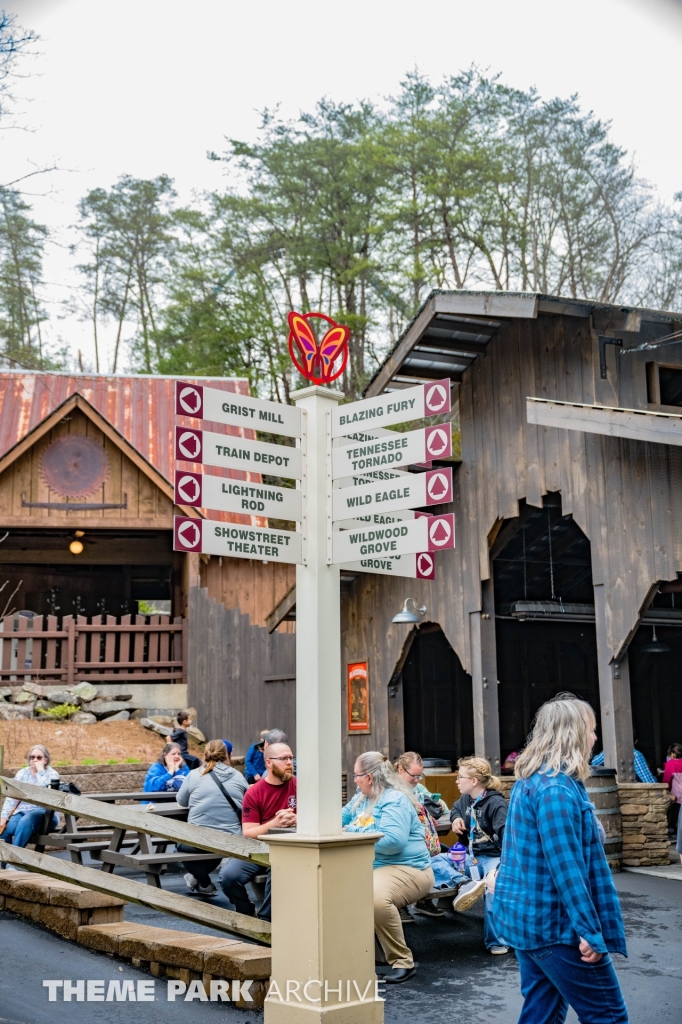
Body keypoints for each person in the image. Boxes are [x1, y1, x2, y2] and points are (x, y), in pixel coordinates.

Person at [492, 693, 629, 1023]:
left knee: (542, 1014)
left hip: (531, 925)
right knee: (609, 1016)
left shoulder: (539, 782)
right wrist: (590, 932)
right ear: (573, 733)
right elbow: (567, 870)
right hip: (555, 928)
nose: (596, 737)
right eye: (592, 729)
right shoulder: (555, 790)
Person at [342, 751, 434, 985]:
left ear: (370, 777)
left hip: (409, 868)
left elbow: (393, 842)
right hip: (375, 867)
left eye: (357, 776)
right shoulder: (362, 799)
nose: (354, 780)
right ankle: (372, 956)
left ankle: (402, 961)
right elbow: (339, 819)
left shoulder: (394, 799)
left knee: (375, 897)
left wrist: (352, 832)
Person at [219, 740, 296, 920]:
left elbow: (317, 818)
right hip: (259, 846)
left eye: (291, 758)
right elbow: (249, 831)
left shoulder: (301, 786)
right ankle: (246, 913)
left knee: (278, 869)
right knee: (229, 877)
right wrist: (275, 823)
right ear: (268, 762)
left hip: (292, 847)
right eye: (284, 758)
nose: (289, 763)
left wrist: (296, 819)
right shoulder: (254, 792)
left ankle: (266, 924)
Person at [445, 756, 509, 954]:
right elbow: (455, 808)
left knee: (493, 887)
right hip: (469, 855)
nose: (456, 780)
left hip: (492, 857)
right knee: (434, 862)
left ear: (473, 781)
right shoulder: (466, 798)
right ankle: (466, 884)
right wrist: (455, 818)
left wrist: (502, 868)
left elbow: (508, 837)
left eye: (460, 777)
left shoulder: (496, 804)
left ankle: (496, 942)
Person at [176, 739, 248, 896]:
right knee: (213, 848)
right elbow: (248, 800)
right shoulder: (238, 775)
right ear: (228, 755)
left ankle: (204, 882)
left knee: (181, 846)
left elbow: (181, 801)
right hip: (232, 838)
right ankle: (199, 880)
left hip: (200, 838)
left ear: (205, 754)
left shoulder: (195, 775)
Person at [395, 751, 447, 920]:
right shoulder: (389, 789)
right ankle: (400, 904)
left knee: (440, 854)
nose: (417, 780)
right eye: (413, 776)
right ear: (400, 770)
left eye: (420, 776)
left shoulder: (417, 787)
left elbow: (437, 805)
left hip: (419, 838)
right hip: (400, 839)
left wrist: (435, 806)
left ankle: (423, 902)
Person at [0, 745, 60, 860]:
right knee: (4, 830)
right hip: (22, 812)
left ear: (45, 760)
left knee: (26, 820)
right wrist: (3, 817)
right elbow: (11, 796)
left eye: (39, 757)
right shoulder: (22, 773)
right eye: (32, 757)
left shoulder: (52, 774)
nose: (35, 760)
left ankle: (14, 860)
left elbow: (48, 793)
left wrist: (40, 771)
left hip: (45, 814)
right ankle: (7, 865)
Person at [591, 732, 656, 783]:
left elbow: (593, 763)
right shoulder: (636, 754)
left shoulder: (608, 752)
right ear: (636, 741)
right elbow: (649, 781)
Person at [662, 742, 682, 840]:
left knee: (674, 813)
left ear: (673, 754)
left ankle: (672, 830)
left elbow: (666, 781)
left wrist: (667, 791)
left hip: (677, 795)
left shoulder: (670, 764)